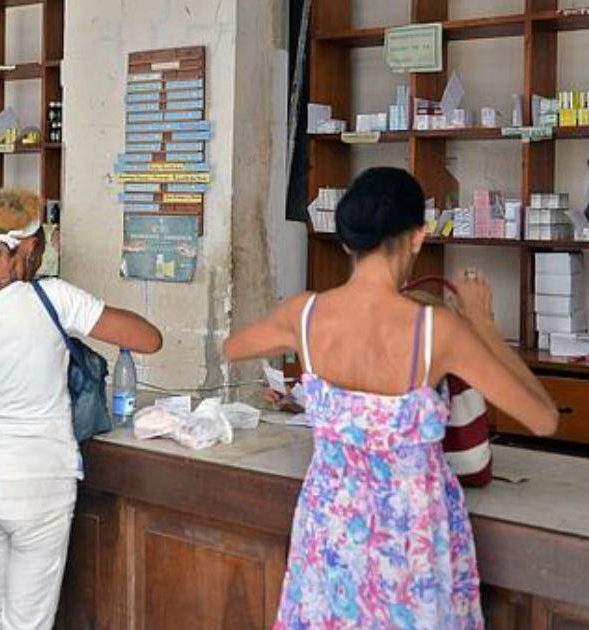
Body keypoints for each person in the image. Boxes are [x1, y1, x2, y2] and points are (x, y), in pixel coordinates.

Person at [224, 167, 559, 630]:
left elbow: (232, 347)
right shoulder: (436, 330)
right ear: (418, 238)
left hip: (331, 531)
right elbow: (543, 419)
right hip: (411, 540)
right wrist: (483, 327)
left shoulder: (303, 314)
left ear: (347, 242)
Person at [0, 188, 162, 630]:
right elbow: (149, 338)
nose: (42, 254)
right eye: (41, 243)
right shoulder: (53, 300)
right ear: (24, 245)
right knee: (28, 623)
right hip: (39, 487)